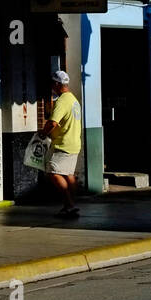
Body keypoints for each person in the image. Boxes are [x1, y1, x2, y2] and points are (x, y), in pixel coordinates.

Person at [43, 70, 83, 218]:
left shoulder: (62, 101)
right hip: (74, 143)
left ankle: (69, 205)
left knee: (53, 173)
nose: (52, 88)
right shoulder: (74, 100)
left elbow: (53, 122)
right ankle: (72, 204)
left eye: (53, 84)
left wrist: (43, 133)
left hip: (63, 144)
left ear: (57, 84)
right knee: (68, 174)